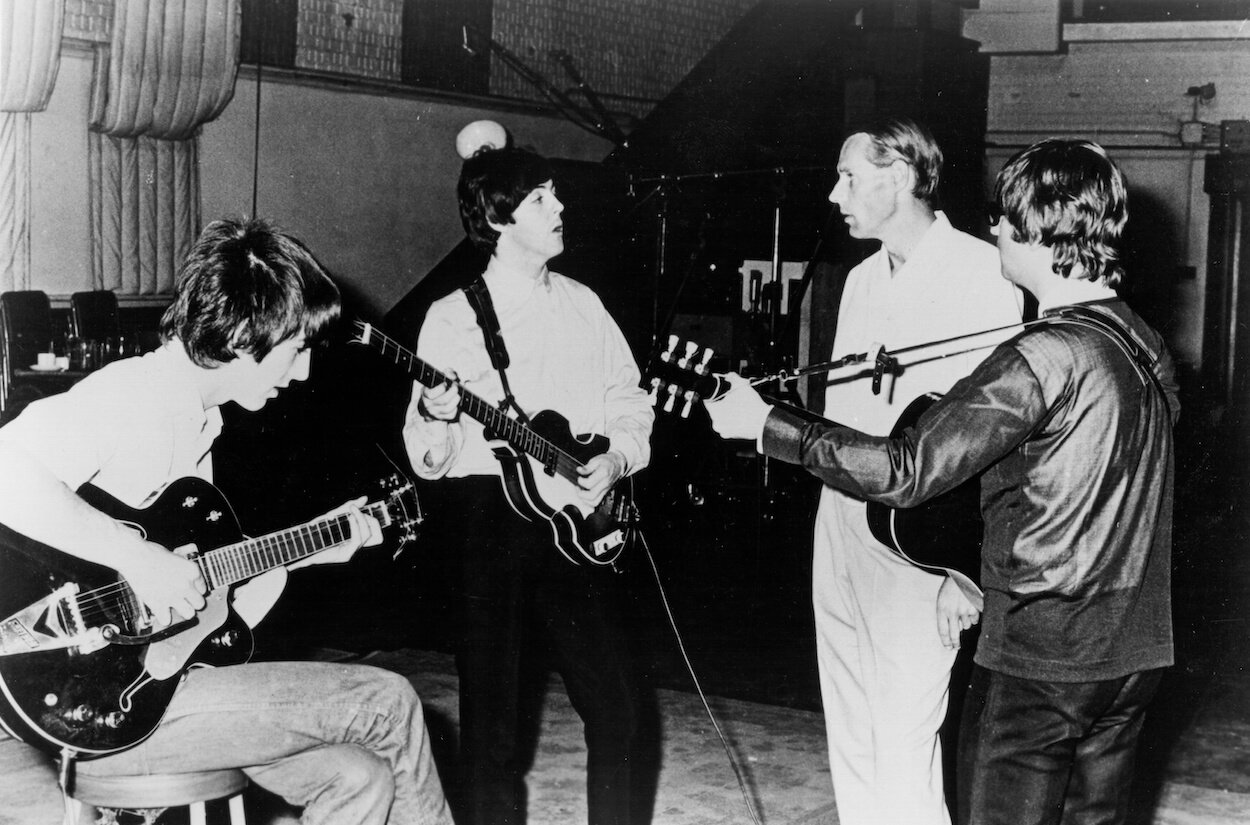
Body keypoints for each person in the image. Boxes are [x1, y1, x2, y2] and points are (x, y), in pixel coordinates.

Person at [703, 138, 1177, 825]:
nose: (995, 232)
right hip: (1131, 651)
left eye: (1005, 220)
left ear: (1039, 232)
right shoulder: (1143, 341)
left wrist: (768, 424)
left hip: (1040, 657)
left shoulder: (1039, 355)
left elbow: (906, 467)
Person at [0, 218, 453, 825]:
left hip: (166, 684)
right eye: (296, 350)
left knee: (360, 777)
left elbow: (206, 593)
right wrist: (136, 557)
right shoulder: (131, 396)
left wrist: (320, 544)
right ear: (243, 337)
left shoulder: (197, 421)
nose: (302, 373)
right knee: (389, 698)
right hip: (100, 702)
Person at [402, 147, 653, 825]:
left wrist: (620, 455)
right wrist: (434, 411)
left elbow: (629, 397)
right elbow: (429, 456)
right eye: (541, 198)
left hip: (580, 523)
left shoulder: (584, 304)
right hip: (492, 525)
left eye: (554, 195)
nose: (560, 207)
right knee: (493, 735)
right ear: (498, 216)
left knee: (621, 710)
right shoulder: (454, 316)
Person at [790, 117, 1024, 825]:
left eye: (849, 177)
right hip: (841, 522)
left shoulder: (983, 273)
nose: (836, 194)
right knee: (852, 725)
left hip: (921, 540)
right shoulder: (859, 279)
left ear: (897, 178)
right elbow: (840, 418)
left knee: (903, 731)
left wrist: (964, 571)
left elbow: (991, 440)